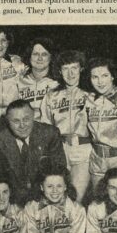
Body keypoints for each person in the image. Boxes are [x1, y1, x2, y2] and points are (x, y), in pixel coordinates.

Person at [0, 99, 66, 207]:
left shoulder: (50, 134)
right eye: (16, 121)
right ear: (7, 122)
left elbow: (59, 173)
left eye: (26, 119)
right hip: (13, 200)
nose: (22, 126)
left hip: (45, 198)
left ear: (33, 116)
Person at [40, 50, 92, 202]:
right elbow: (45, 127)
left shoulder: (91, 94)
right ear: (59, 71)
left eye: (74, 68)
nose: (70, 73)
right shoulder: (51, 96)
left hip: (83, 150)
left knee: (74, 198)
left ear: (81, 68)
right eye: (65, 69)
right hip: (59, 149)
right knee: (56, 197)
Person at [85, 57, 117, 188]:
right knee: (99, 202)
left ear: (113, 76)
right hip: (98, 159)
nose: (100, 81)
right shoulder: (88, 100)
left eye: (105, 76)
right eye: (95, 77)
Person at [17, 36, 60, 114]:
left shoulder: (57, 83)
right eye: (36, 54)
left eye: (44, 54)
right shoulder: (19, 81)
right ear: (29, 57)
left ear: (51, 57)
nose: (40, 58)